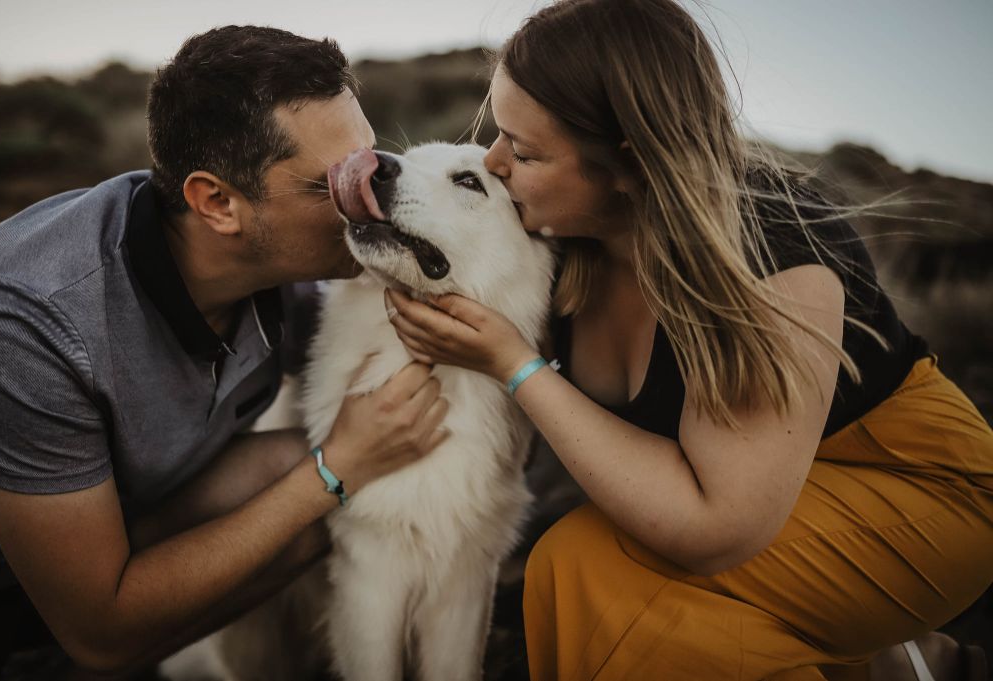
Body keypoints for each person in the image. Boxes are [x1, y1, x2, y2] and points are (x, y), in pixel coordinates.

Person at [382, 0, 993, 679]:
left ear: (629, 163)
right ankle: (880, 664)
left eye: (523, 151)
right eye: (498, 133)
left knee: (613, 593)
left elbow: (717, 526)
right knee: (573, 563)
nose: (493, 163)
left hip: (914, 484)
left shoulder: (770, 244)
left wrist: (516, 365)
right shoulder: (557, 241)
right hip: (760, 496)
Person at [0, 26, 448, 679]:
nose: (374, 199)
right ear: (217, 202)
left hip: (123, 520)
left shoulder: (283, 255)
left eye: (374, 163)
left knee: (356, 472)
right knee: (331, 478)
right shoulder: (27, 323)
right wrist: (334, 468)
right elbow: (96, 628)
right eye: (339, 181)